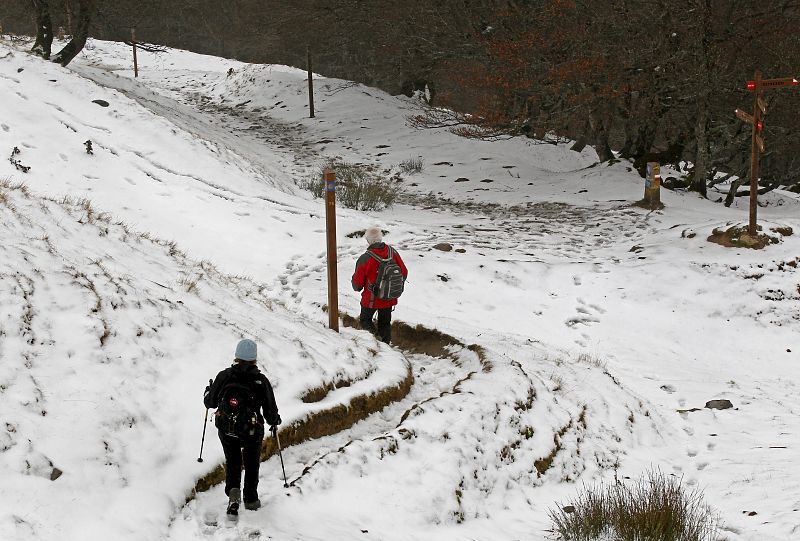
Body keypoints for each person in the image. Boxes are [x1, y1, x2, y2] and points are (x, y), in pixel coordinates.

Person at [204, 339, 281, 515]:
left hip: (227, 429)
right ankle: (251, 499)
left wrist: (207, 392)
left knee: (233, 462)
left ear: (237, 356)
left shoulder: (224, 376)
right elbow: (270, 412)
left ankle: (233, 492)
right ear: (254, 359)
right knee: (252, 463)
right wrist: (275, 420)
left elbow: (210, 402)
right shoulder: (260, 381)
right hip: (252, 432)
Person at [351, 226, 408, 344]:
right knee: (385, 324)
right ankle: (386, 347)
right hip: (389, 297)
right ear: (380, 238)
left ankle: (375, 342)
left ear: (368, 240)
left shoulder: (365, 258)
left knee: (365, 321)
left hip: (371, 299)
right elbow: (404, 272)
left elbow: (357, 285)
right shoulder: (393, 252)